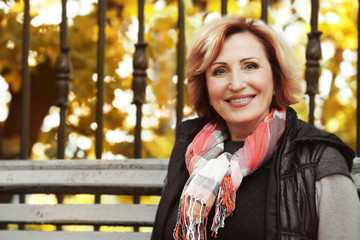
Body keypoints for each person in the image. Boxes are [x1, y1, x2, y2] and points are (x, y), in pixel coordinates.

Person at [151, 16, 360, 240]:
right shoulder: (190, 150)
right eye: (220, 71)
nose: (236, 84)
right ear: (206, 88)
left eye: (250, 66)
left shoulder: (318, 156)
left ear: (276, 78)